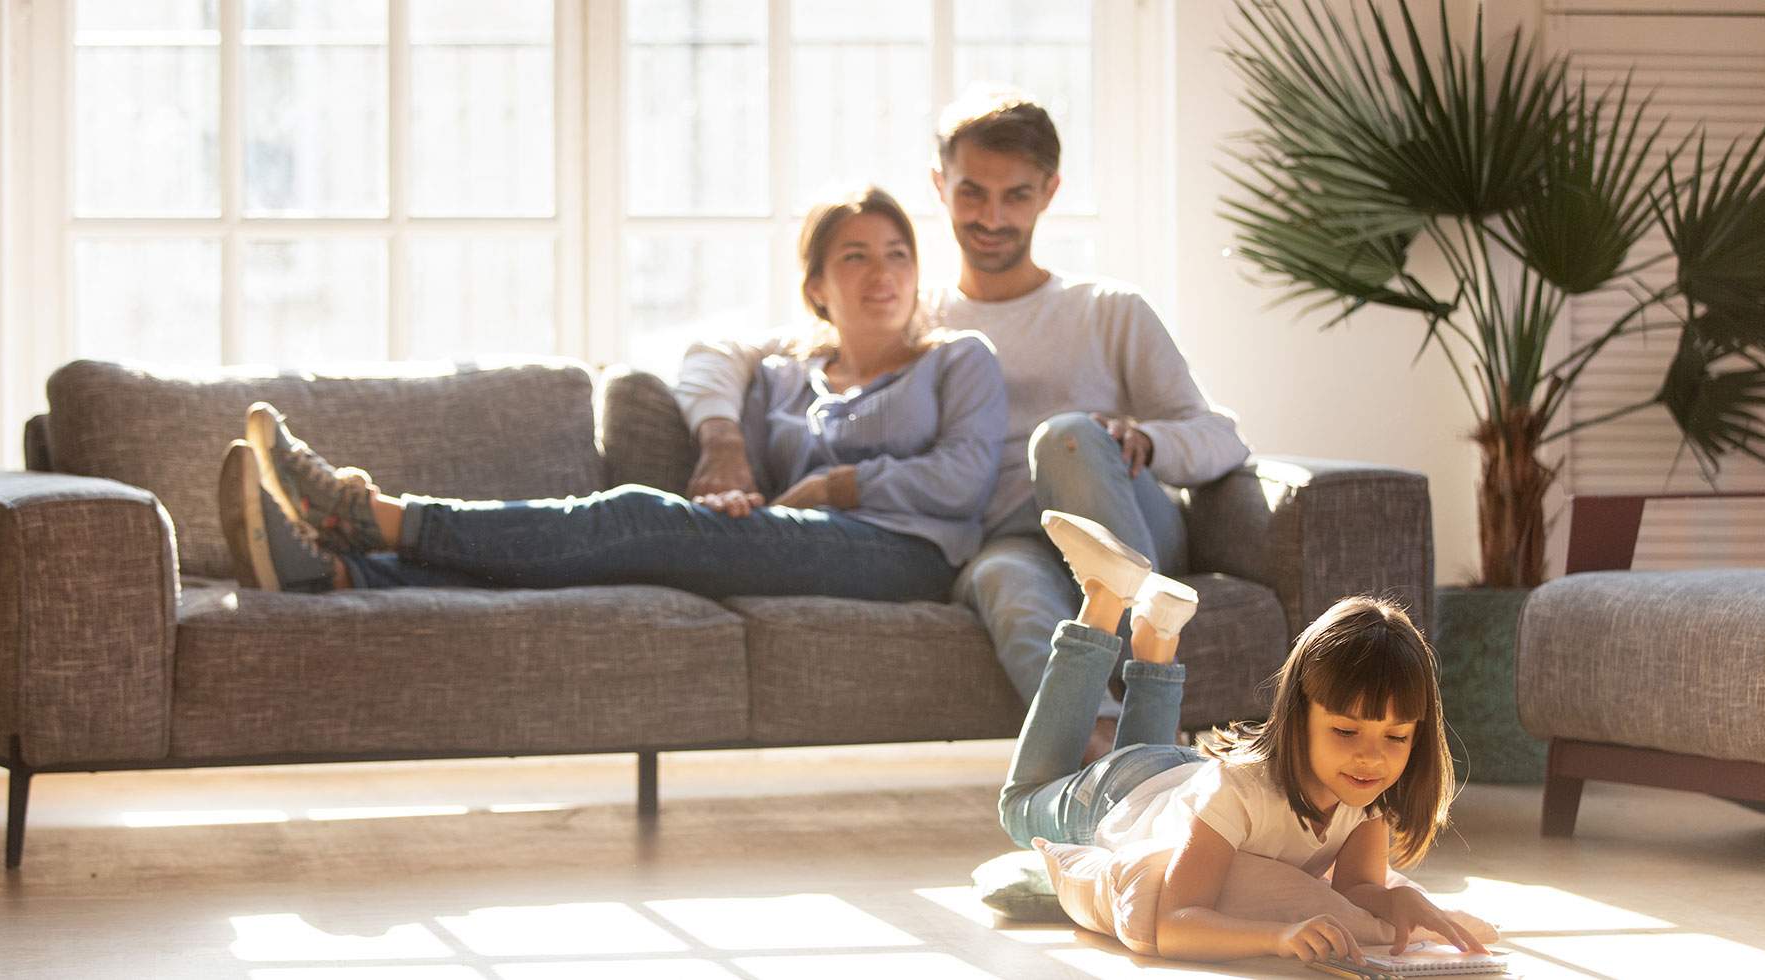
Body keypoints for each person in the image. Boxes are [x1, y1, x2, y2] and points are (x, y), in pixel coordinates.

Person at [676, 93, 1250, 764]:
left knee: (1063, 437)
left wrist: (1145, 439)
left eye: (1017, 196)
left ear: (1050, 194)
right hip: (1016, 541)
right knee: (1001, 579)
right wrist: (722, 439)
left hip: (1122, 521)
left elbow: (1221, 436)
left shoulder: (1107, 311)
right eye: (972, 193)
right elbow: (724, 350)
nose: (992, 217)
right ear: (940, 186)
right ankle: (1117, 762)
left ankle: (1141, 628)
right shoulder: (917, 315)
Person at [218, 186, 1007, 601]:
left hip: (906, 555)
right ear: (816, 286)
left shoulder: (958, 360)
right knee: (618, 553)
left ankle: (374, 519)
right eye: (857, 257)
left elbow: (963, 480)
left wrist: (841, 484)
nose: (884, 274)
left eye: (899, 254)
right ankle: (343, 575)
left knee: (638, 516)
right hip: (800, 541)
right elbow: (746, 443)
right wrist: (736, 481)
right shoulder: (779, 379)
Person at [1004, 510, 1494, 967]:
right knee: (1018, 806)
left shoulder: (1366, 792)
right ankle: (1104, 601)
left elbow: (1356, 887)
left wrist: (1392, 896)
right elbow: (1176, 925)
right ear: (1297, 715)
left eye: (1397, 737)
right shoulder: (1241, 791)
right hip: (1116, 796)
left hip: (1174, 776)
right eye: (1346, 730)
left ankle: (1157, 633)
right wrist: (1277, 937)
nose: (1372, 756)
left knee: (1151, 772)